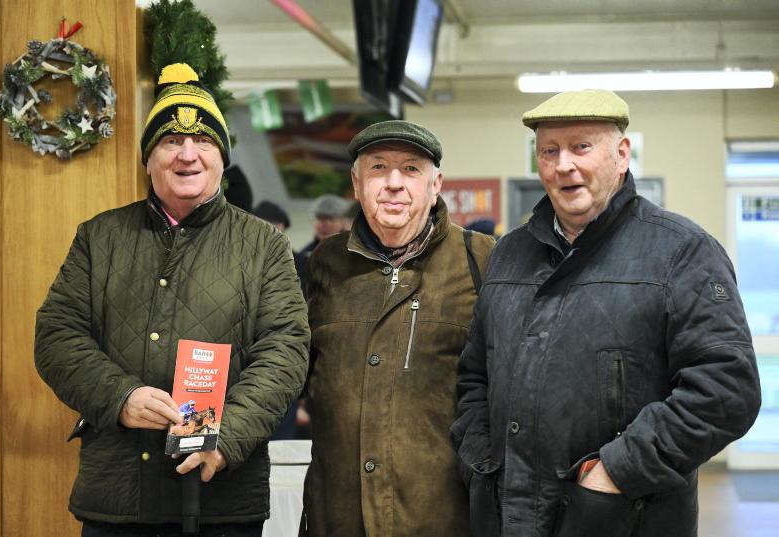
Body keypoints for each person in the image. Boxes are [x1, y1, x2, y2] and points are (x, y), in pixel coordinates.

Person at [452, 89, 761, 537]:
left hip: (622, 519)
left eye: (581, 147)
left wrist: (616, 471)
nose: (563, 165)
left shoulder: (682, 251)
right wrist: (479, 459)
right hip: (504, 518)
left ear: (621, 154)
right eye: (549, 151)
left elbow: (727, 390)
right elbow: (474, 376)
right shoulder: (509, 254)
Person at [34, 63, 310, 537]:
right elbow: (57, 337)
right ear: (148, 158)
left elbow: (285, 352)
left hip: (222, 499)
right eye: (170, 141)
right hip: (118, 498)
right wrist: (120, 397)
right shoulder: (99, 238)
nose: (187, 154)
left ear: (221, 157)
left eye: (203, 140)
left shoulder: (264, 245)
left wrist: (226, 437)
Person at [300, 120, 495, 536]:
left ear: (435, 185)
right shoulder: (323, 264)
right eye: (378, 168)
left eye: (410, 169)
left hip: (443, 520)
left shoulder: (482, 260)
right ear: (357, 184)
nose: (393, 183)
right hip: (337, 518)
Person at [293, 194, 349, 293]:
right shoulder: (304, 256)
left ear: (343, 222)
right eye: (319, 218)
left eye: (330, 219)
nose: (324, 224)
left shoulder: (356, 253)